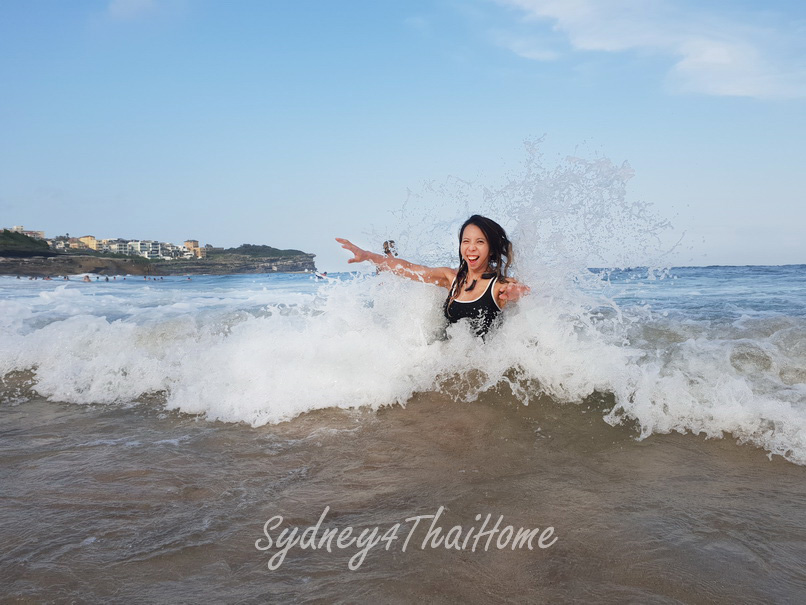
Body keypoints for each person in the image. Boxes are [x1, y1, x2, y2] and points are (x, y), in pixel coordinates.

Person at [337, 214, 529, 336]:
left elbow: (524, 294)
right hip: (448, 366)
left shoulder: (499, 285)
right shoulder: (451, 278)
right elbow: (409, 268)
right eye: (466, 241)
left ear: (491, 248)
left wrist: (517, 293)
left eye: (480, 242)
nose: (471, 247)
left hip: (484, 374)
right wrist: (368, 256)